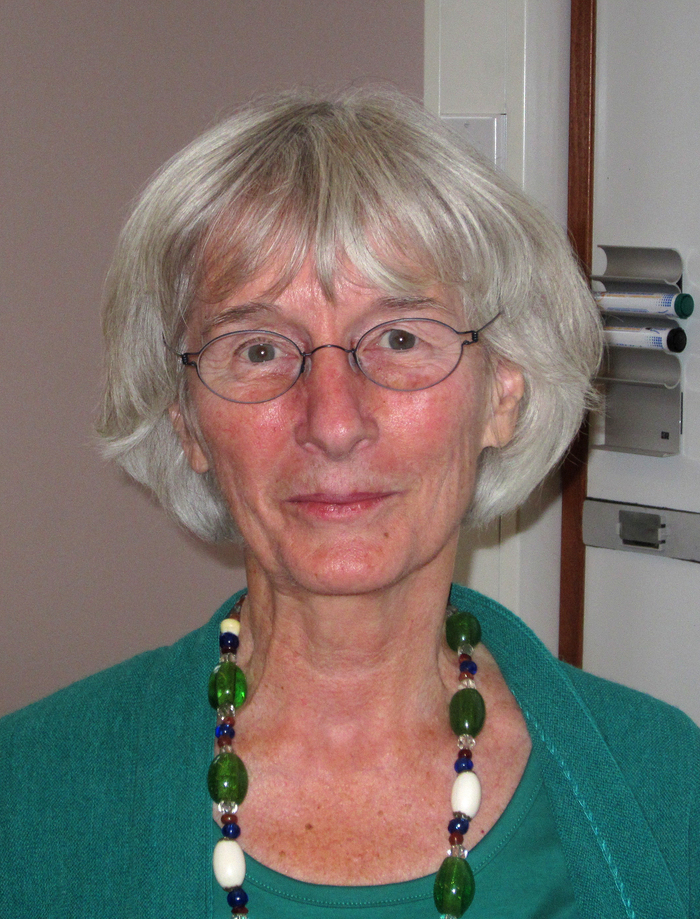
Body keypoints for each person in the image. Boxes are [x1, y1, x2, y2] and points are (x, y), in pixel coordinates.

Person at [1, 89, 698, 919]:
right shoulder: (28, 793)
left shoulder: (667, 786)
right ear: (186, 420)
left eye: (400, 338)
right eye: (260, 349)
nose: (333, 423)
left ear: (503, 393)